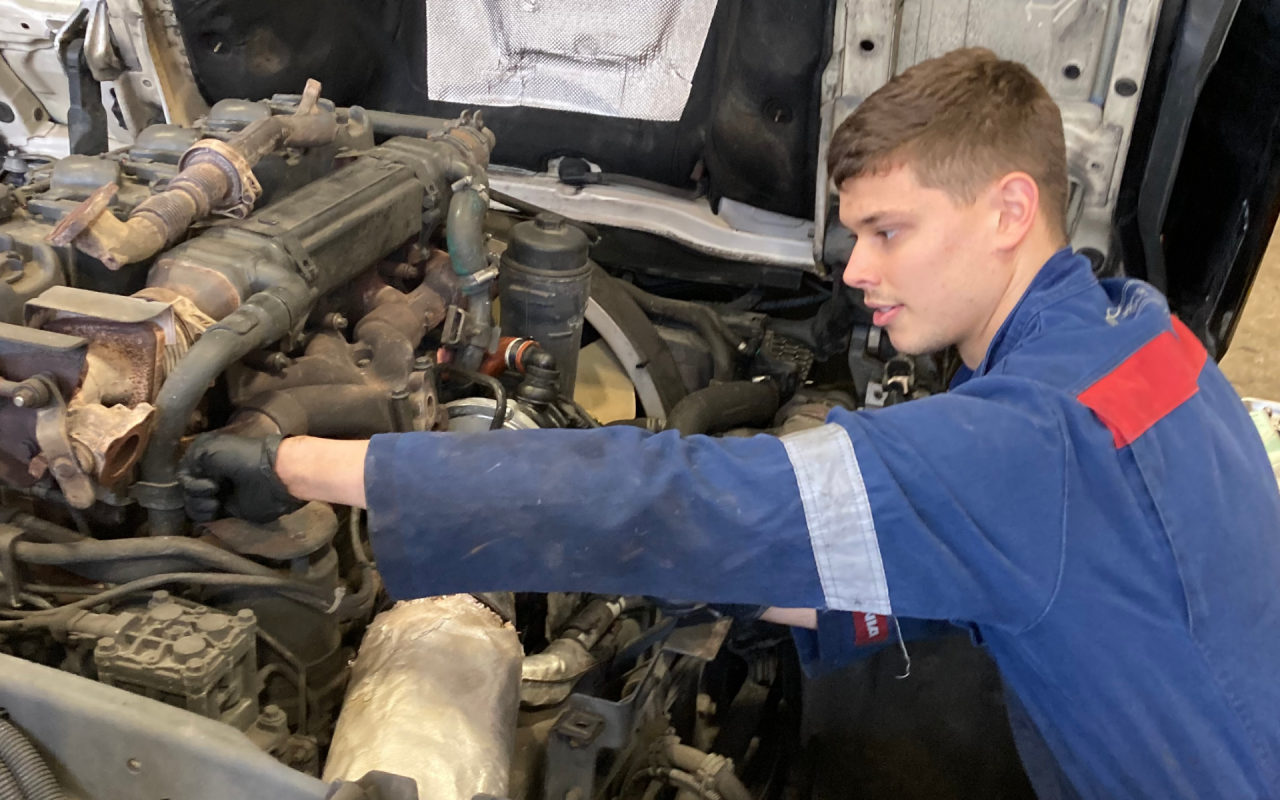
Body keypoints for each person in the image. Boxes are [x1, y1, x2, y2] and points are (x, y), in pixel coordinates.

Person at [178, 48, 1280, 798]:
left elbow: (680, 496)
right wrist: (722, 577)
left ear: (1008, 210)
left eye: (889, 231)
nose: (857, 270)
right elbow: (994, 580)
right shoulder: (1133, 335)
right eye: (853, 235)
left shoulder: (1029, 445)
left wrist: (305, 461)